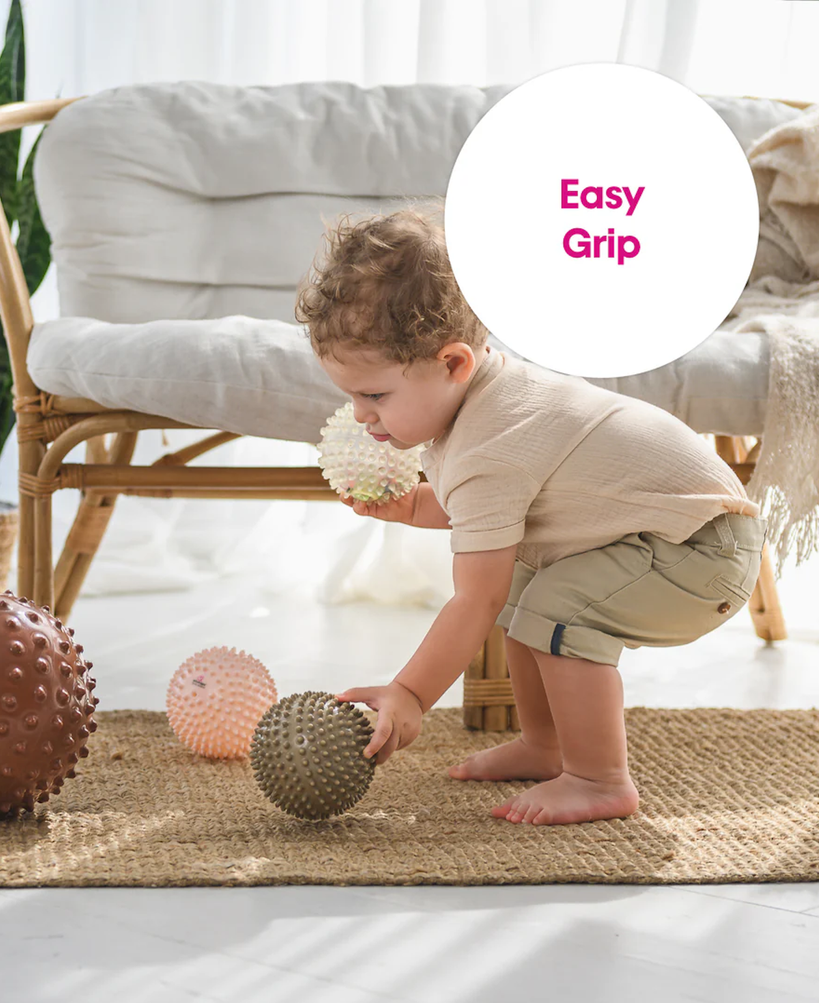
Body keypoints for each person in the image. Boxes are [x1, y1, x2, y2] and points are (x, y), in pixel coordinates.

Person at [294, 206, 767, 826]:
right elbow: (488, 515)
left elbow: (475, 598)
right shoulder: (483, 401)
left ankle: (599, 779)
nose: (360, 414)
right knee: (524, 589)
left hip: (702, 553)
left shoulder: (491, 443)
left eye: (374, 395)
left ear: (454, 363)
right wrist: (411, 506)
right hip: (673, 537)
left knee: (553, 607)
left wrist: (409, 693)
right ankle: (547, 746)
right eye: (352, 396)